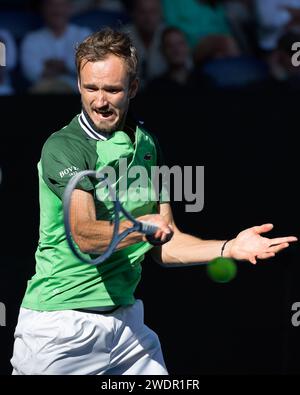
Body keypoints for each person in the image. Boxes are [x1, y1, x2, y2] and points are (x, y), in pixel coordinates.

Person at [10, 27, 297, 375]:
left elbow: (166, 242)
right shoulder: (64, 147)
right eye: (90, 88)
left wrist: (228, 248)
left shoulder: (146, 145)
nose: (99, 101)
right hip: (60, 330)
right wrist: (142, 229)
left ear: (132, 88)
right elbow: (84, 235)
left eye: (112, 90)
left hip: (127, 326)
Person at [20, 0, 91, 93]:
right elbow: (31, 72)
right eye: (51, 5)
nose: (57, 10)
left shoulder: (83, 34)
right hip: (41, 93)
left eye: (62, 5)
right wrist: (66, 68)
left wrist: (61, 67)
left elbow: (87, 69)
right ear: (43, 8)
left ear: (70, 8)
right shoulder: (31, 39)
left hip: (77, 92)